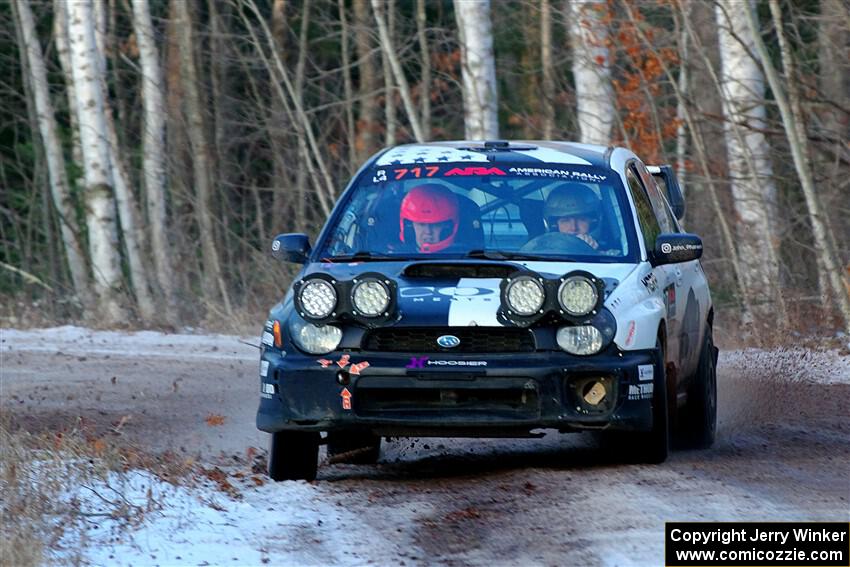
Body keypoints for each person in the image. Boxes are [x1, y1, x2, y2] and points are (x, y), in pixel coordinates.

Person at [399, 184, 459, 253]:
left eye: (436, 225)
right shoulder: (392, 256)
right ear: (410, 227)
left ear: (447, 227)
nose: (428, 232)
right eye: (421, 224)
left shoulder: (463, 256)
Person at [542, 182, 602, 250]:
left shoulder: (610, 256)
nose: (573, 228)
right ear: (554, 225)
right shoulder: (541, 253)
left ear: (594, 223)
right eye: (565, 221)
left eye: (581, 219)